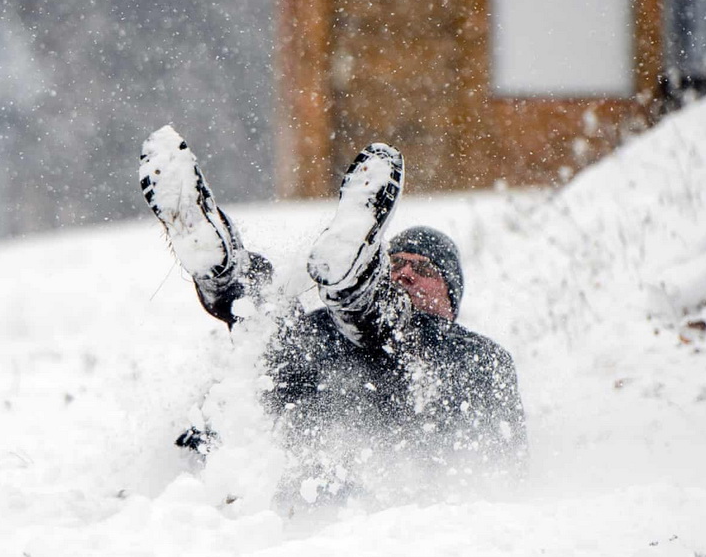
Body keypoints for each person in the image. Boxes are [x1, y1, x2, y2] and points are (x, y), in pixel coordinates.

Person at [139, 125, 527, 499]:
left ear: (451, 298)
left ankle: (355, 292)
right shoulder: (324, 329)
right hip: (308, 480)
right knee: (266, 320)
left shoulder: (475, 356)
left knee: (387, 324)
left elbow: (506, 463)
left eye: (423, 270)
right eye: (395, 264)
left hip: (389, 471)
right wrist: (203, 442)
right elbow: (258, 376)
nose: (406, 273)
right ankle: (225, 273)